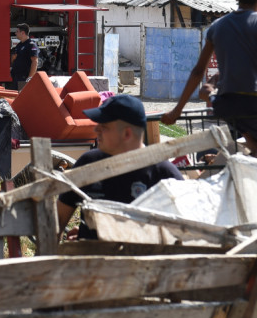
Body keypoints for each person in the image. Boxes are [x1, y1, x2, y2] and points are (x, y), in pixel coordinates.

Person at [163, 0, 257, 160]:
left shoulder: (217, 26)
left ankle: (256, 154)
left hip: (226, 105)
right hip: (254, 104)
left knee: (246, 131)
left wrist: (177, 111)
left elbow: (198, 71)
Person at [58, 94, 183, 239]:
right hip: (91, 259)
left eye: (103, 126)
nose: (96, 130)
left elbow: (188, 234)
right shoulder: (88, 164)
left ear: (127, 134)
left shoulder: (163, 175)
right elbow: (58, 220)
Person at [10, 23, 39, 88]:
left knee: (23, 96)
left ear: (22, 33)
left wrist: (30, 77)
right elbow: (14, 58)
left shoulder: (31, 45)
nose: (15, 33)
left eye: (17, 31)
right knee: (16, 96)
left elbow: (35, 61)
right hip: (17, 76)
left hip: (24, 78)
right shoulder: (19, 45)